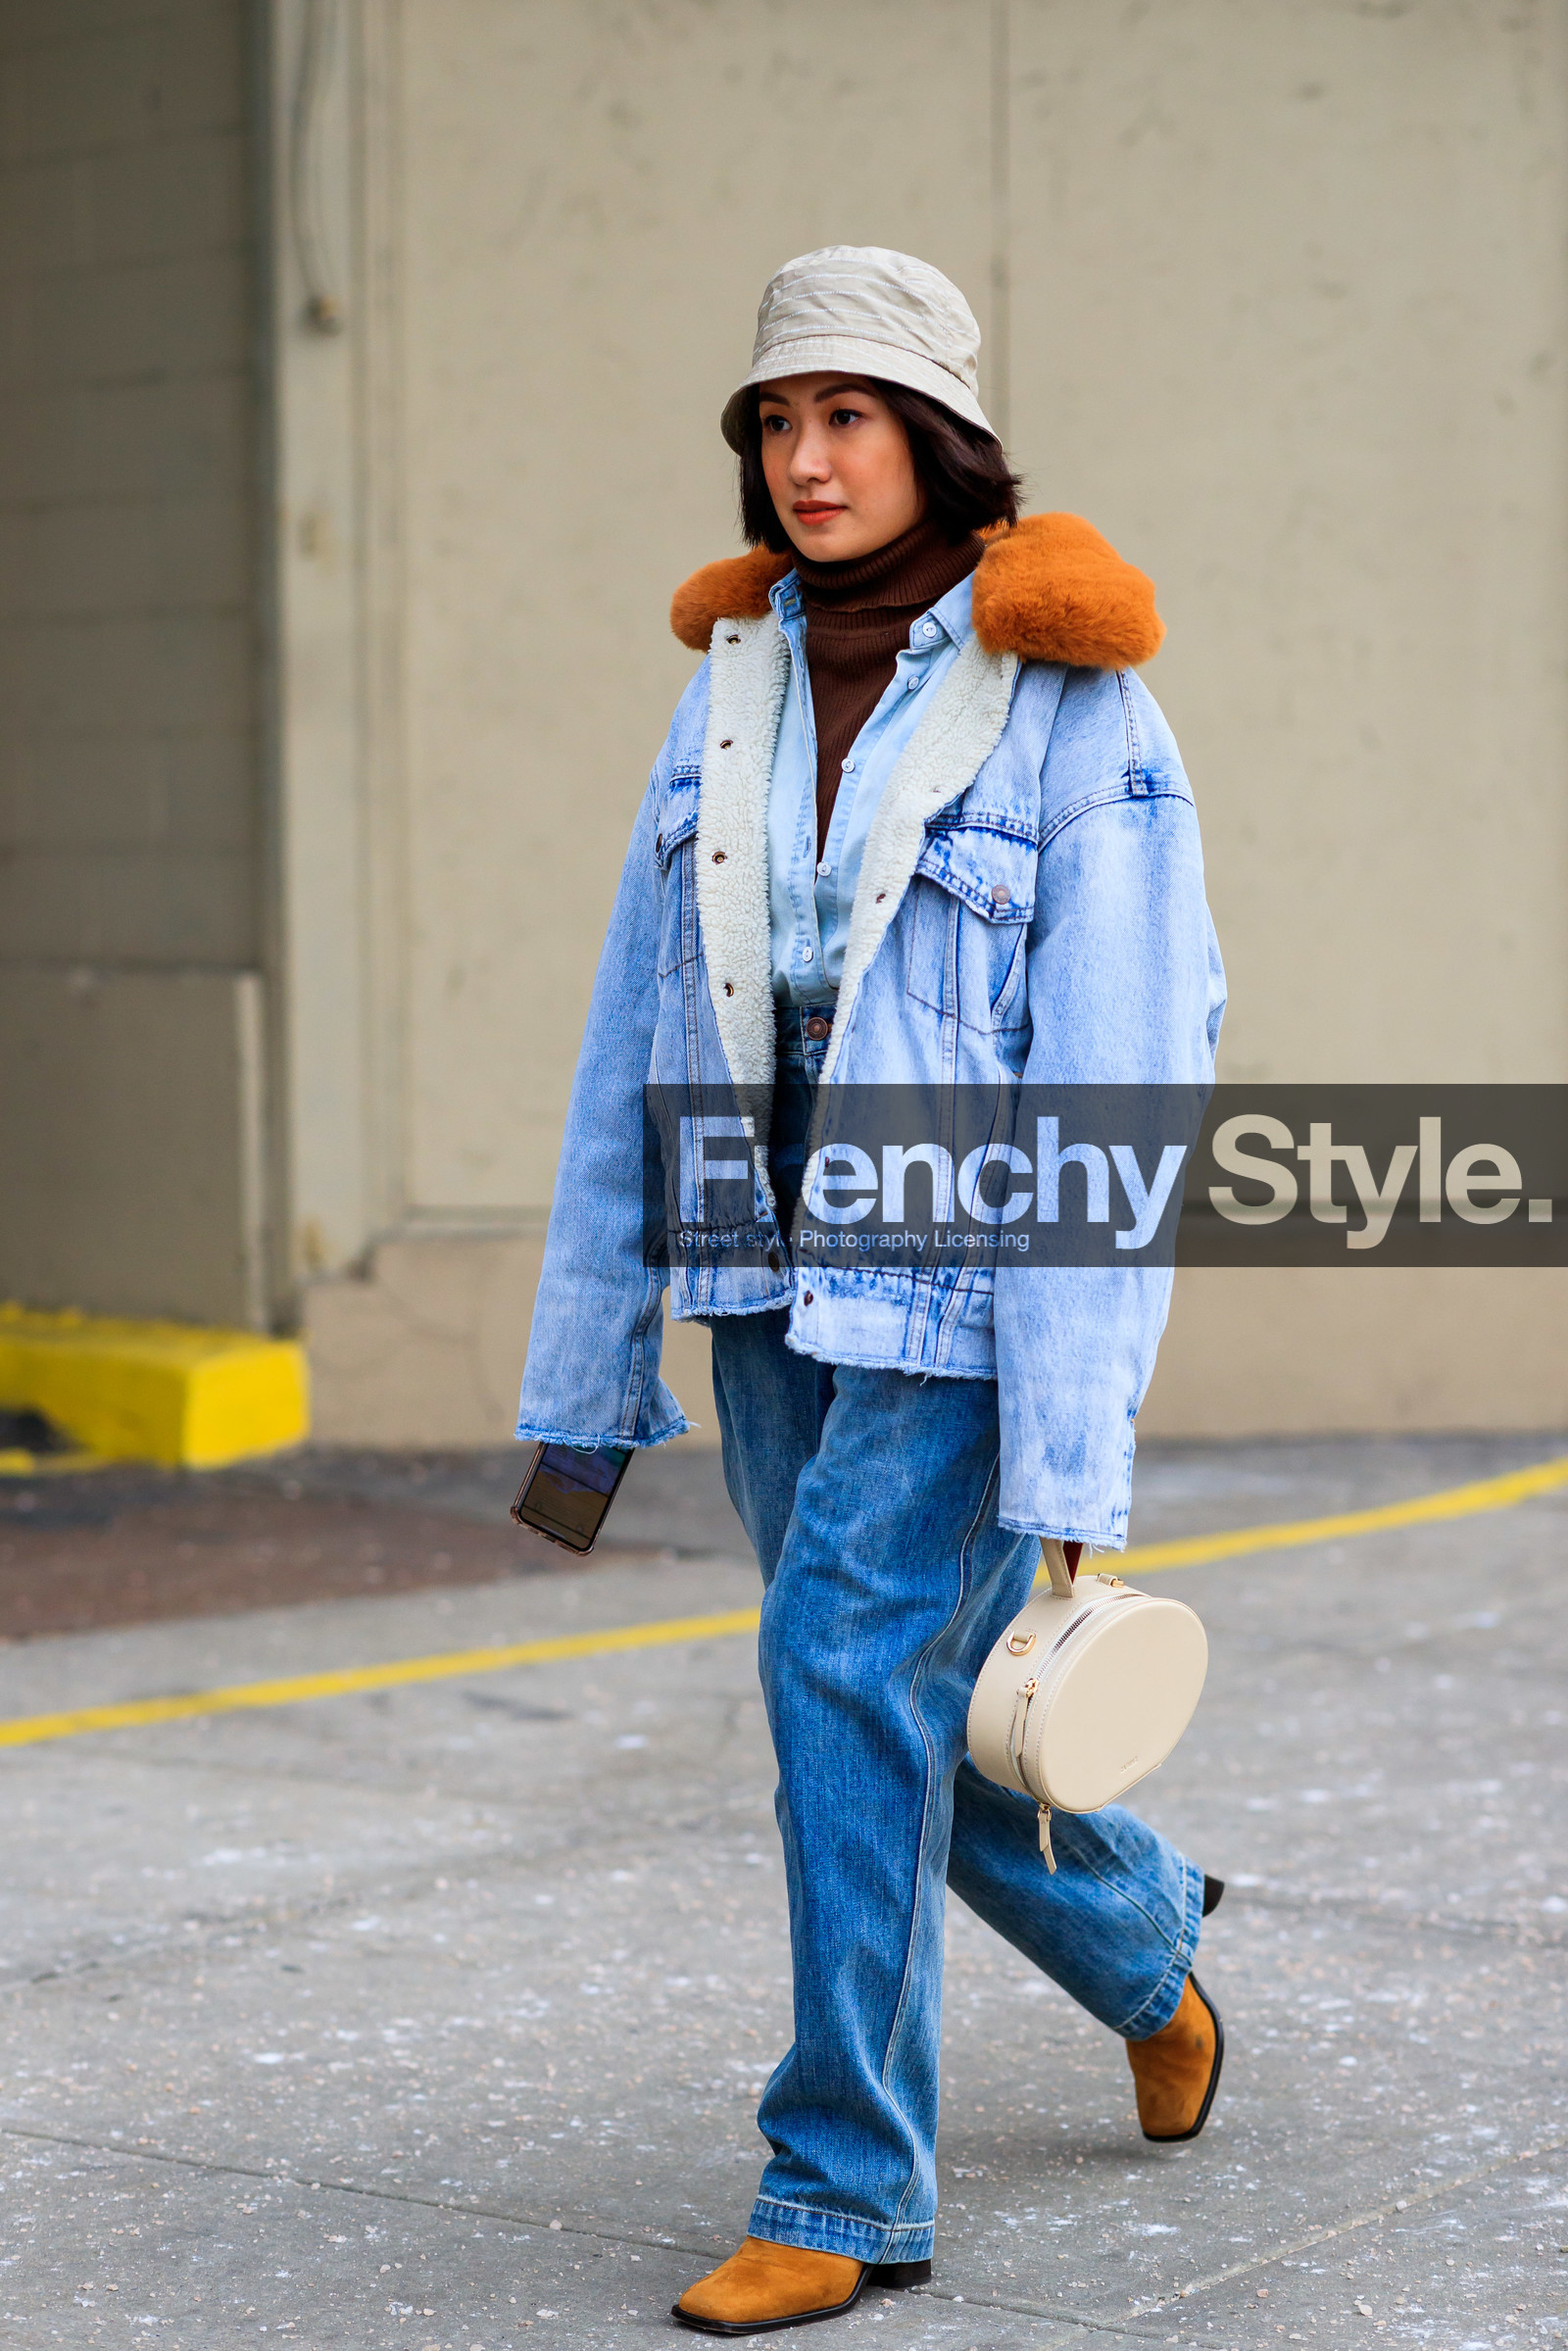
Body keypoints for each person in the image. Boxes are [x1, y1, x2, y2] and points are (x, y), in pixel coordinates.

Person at [517, 246, 1229, 2336]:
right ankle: (1140, 1944)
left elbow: (1127, 1063)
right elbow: (630, 1030)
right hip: (758, 1270)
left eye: (845, 416)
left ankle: (837, 2184)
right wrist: (590, 1360)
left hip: (954, 1289)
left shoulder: (1074, 705)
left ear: (934, 435)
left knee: (836, 1681)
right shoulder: (723, 680)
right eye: (773, 420)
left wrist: (1076, 1422)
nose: (804, 459)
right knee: (873, 1713)